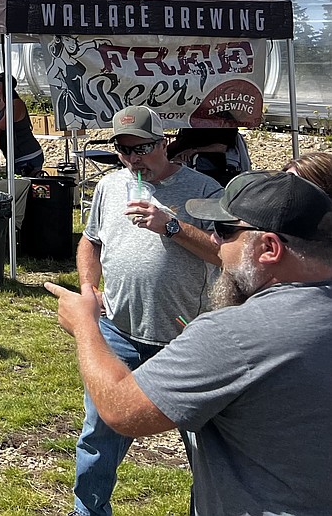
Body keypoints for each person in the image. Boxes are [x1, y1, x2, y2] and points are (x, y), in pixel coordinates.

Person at [47, 170, 332, 515]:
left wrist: (85, 327)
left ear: (269, 248)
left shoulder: (233, 335)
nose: (213, 240)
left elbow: (121, 411)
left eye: (226, 231)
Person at [68, 105, 222, 516]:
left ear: (165, 143)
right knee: (99, 432)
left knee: (206, 444)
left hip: (184, 334)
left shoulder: (205, 191)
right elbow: (91, 240)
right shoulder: (110, 186)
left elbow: (225, 254)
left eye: (143, 148)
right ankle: (89, 510)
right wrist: (88, 288)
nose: (134, 159)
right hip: (119, 330)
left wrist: (171, 225)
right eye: (124, 150)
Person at [0, 73, 44, 176]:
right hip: (13, 157)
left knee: (26, 187)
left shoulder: (16, 103)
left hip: (28, 155)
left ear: (6, 86)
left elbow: (3, 125)